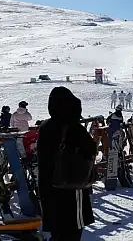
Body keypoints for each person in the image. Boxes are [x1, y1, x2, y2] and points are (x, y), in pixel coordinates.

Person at [37, 86, 96, 241]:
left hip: (49, 187)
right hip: (71, 188)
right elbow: (91, 149)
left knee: (57, 233)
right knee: (72, 233)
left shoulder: (45, 126)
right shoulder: (75, 128)